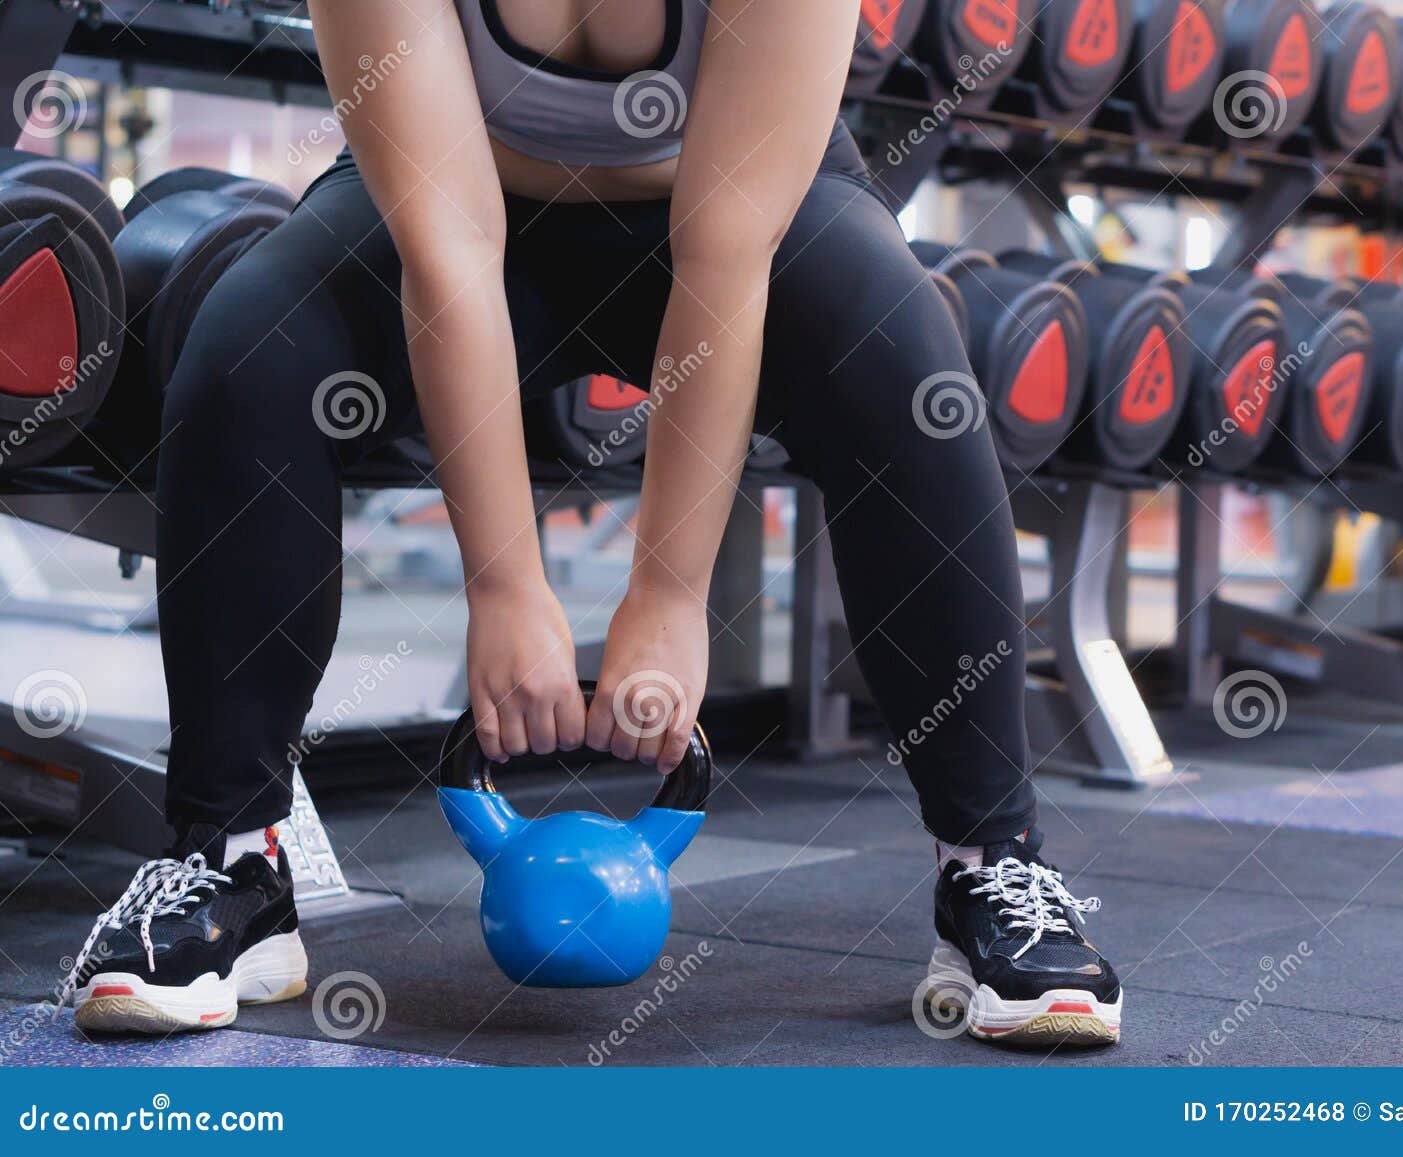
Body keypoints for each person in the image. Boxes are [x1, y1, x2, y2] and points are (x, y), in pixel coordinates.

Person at [59, 0, 1120, 1047]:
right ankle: (231, 859)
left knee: (904, 357)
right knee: (249, 342)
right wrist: (505, 585)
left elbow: (725, 252)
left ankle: (991, 860)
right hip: (470, 216)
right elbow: (451, 244)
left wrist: (667, 592)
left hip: (729, 220)